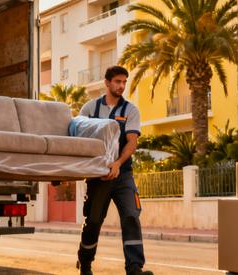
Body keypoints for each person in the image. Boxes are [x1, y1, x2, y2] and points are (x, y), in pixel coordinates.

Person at [75, 66, 153, 275]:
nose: (121, 86)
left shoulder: (130, 110)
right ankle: (85, 263)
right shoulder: (90, 109)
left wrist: (117, 163)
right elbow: (78, 139)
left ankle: (134, 267)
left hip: (123, 174)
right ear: (107, 83)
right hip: (97, 177)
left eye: (124, 82)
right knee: (93, 221)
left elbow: (132, 142)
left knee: (131, 216)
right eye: (117, 81)